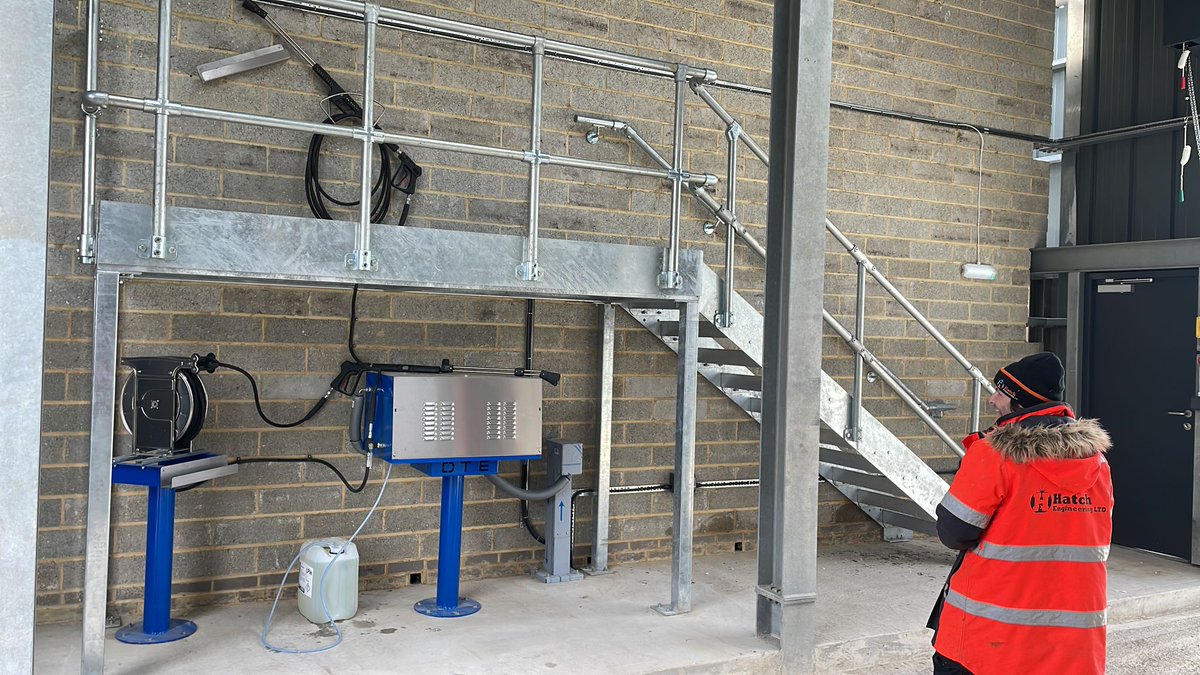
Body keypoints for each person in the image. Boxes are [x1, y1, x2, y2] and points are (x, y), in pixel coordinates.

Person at [927, 352, 1114, 675]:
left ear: (1020, 402)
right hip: (1071, 651)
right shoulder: (1097, 463)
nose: (991, 400)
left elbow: (953, 532)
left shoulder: (994, 454)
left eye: (1000, 392)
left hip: (986, 645)